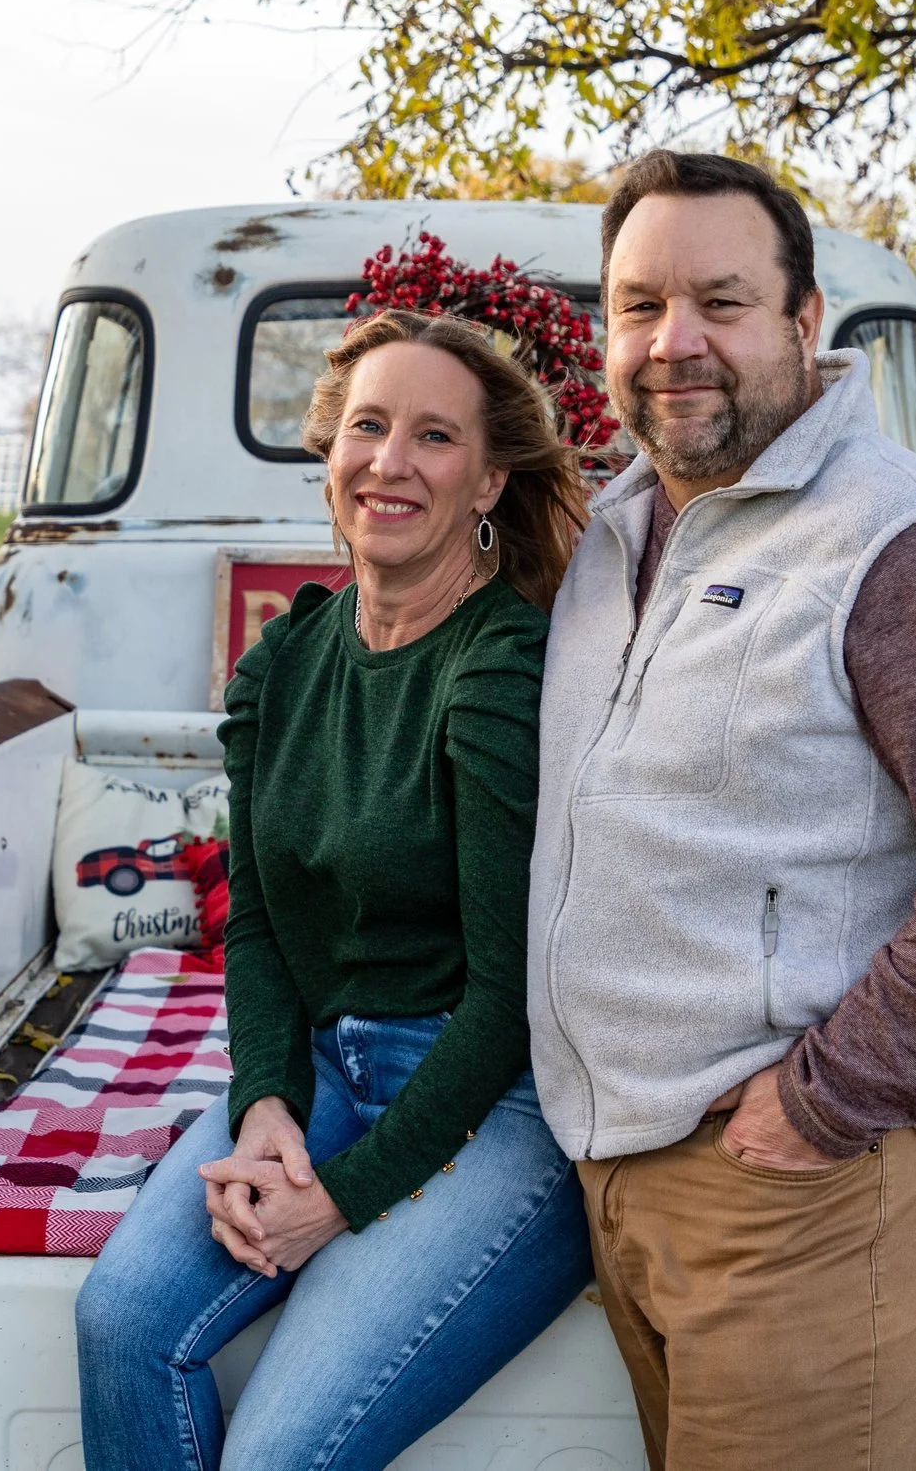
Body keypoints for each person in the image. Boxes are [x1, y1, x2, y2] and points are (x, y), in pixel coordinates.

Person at [525, 150, 916, 1471]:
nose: (676, 342)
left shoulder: (901, 542)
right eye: (639, 305)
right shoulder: (623, 532)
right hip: (638, 1177)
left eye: (721, 302)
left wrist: (832, 1095)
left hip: (815, 1190)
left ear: (803, 325)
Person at [74, 310, 594, 1470]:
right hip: (317, 1072)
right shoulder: (283, 664)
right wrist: (264, 1101)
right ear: (328, 452)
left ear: (488, 481)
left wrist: (339, 1197)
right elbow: (255, 920)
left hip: (491, 1103)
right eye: (367, 426)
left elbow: (510, 997)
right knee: (120, 1320)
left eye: (433, 437)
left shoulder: (497, 669)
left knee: (276, 1456)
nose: (388, 462)